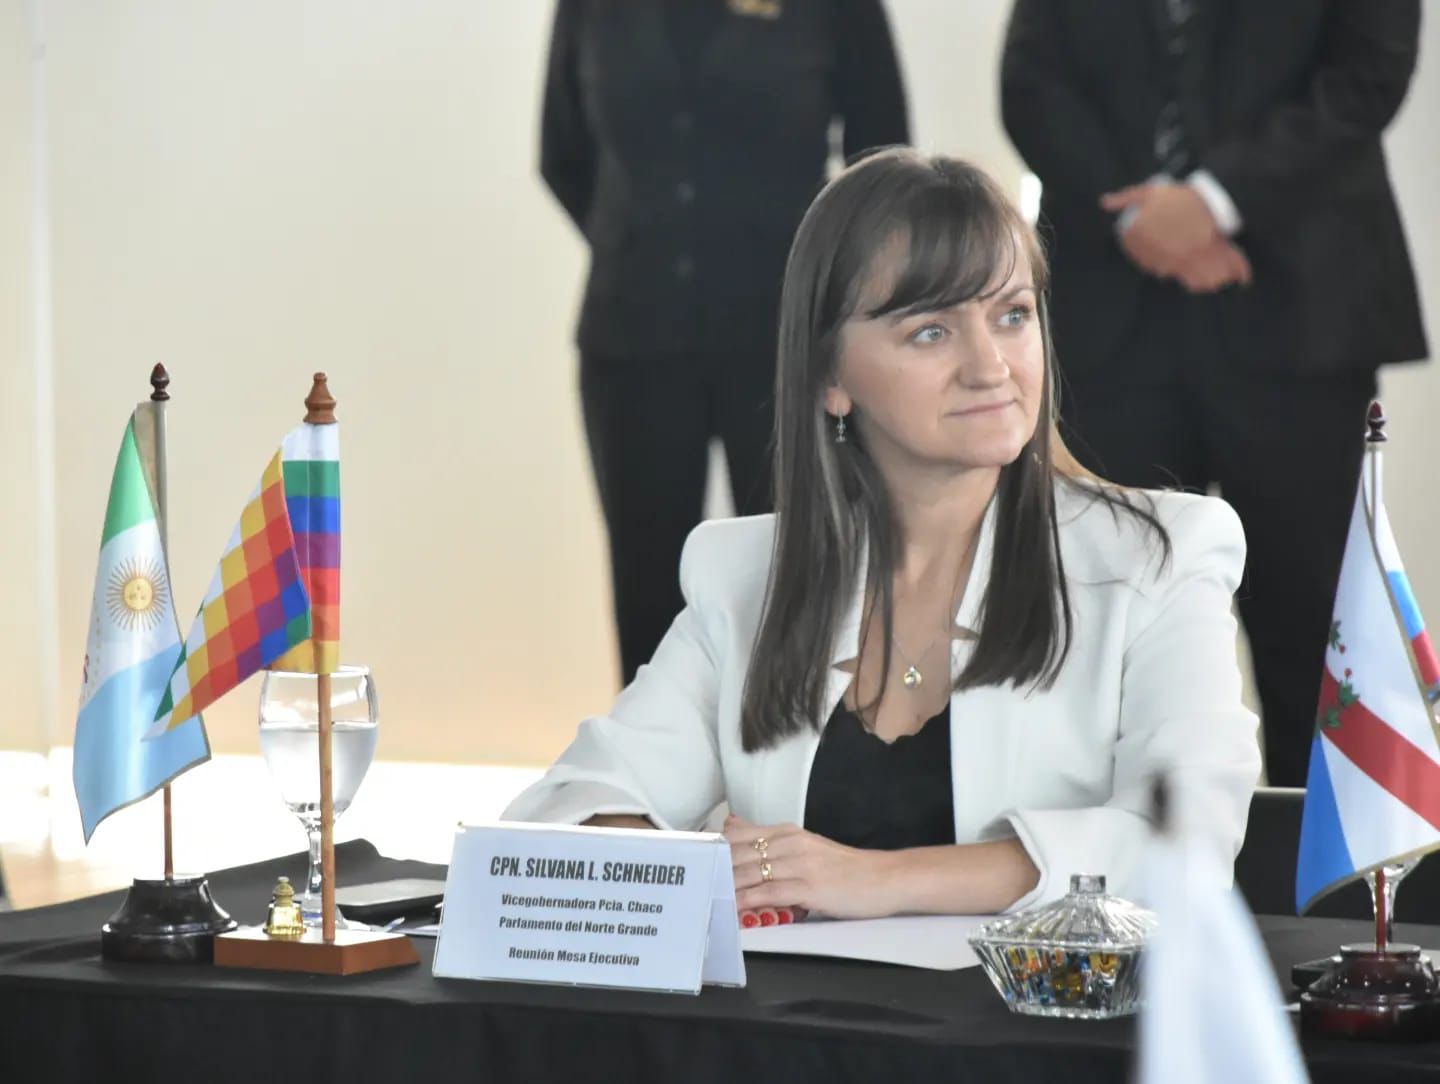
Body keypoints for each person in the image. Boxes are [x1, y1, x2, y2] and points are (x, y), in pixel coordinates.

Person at [505, 151, 1260, 917]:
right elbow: (567, 812)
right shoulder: (742, 573)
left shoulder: (1162, 555)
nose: (990, 366)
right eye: (931, 332)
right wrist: (689, 877)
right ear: (832, 379)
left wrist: (871, 880)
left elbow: (1187, 844)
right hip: (792, 1032)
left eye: (1012, 315)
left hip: (1034, 1032)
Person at [1000, 1, 1428, 786]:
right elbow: (1030, 80)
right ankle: (1105, 891)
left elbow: (1368, 70)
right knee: (1103, 626)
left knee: (1315, 630)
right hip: (1111, 321)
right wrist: (1138, 221)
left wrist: (1210, 201)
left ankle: (1326, 894)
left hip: (1299, 311)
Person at [540, 0, 910, 684]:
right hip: (633, 336)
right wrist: (640, 241)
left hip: (785, 343)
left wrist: (826, 282)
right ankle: (655, 784)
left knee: (798, 579)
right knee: (646, 586)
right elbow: (561, 153)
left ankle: (795, 781)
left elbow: (881, 157)